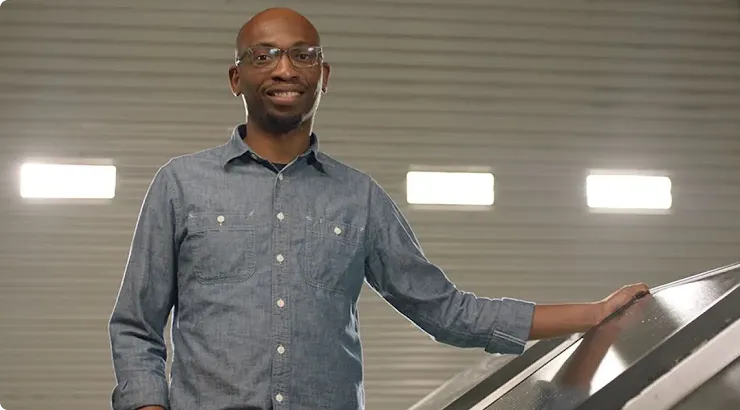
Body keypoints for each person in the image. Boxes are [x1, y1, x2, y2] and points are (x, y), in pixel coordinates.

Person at [107, 7, 649, 410]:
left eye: (303, 54)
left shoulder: (359, 198)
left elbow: (445, 311)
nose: (284, 68)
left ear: (324, 75)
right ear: (236, 78)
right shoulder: (181, 185)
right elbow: (136, 327)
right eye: (263, 54)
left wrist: (593, 313)